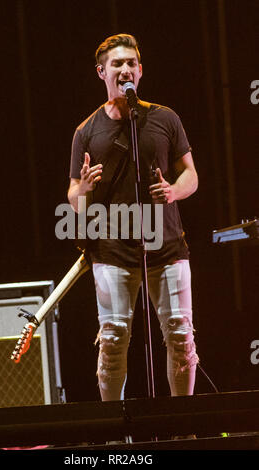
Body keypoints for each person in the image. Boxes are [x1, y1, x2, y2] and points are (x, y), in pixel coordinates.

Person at [68, 33, 199, 402]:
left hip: (167, 245)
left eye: (131, 63)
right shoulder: (86, 131)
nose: (125, 69)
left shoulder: (165, 118)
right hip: (112, 251)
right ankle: (115, 431)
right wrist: (83, 190)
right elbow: (74, 198)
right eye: (116, 64)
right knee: (112, 338)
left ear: (140, 71)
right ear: (101, 72)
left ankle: (183, 424)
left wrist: (173, 190)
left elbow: (191, 174)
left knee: (179, 334)